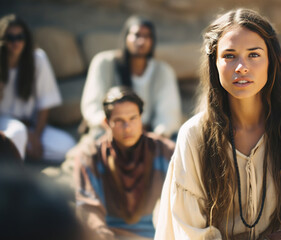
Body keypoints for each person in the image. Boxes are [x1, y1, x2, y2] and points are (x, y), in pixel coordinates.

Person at [154, 8, 281, 239]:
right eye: (229, 55)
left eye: (254, 54)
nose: (242, 67)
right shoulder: (195, 134)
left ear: (271, 60)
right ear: (215, 63)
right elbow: (187, 228)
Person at [74, 86, 175, 240]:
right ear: (107, 123)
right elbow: (88, 208)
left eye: (133, 118)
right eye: (119, 121)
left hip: (156, 234)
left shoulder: (165, 151)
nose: (127, 128)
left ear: (141, 118)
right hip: (108, 234)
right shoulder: (90, 156)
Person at [81, 15, 182, 139]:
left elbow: (168, 114)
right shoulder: (104, 63)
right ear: (125, 37)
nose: (141, 41)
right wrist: (111, 125)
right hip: (109, 132)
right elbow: (92, 107)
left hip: (148, 136)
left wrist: (157, 137)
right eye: (136, 35)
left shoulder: (162, 71)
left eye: (147, 36)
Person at [0, 14, 76, 161]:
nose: (16, 42)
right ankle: (16, 174)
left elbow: (45, 102)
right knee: (17, 133)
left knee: (67, 146)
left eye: (20, 37)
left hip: (30, 124)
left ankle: (23, 152)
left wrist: (35, 136)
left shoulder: (37, 59)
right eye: (10, 38)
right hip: (4, 123)